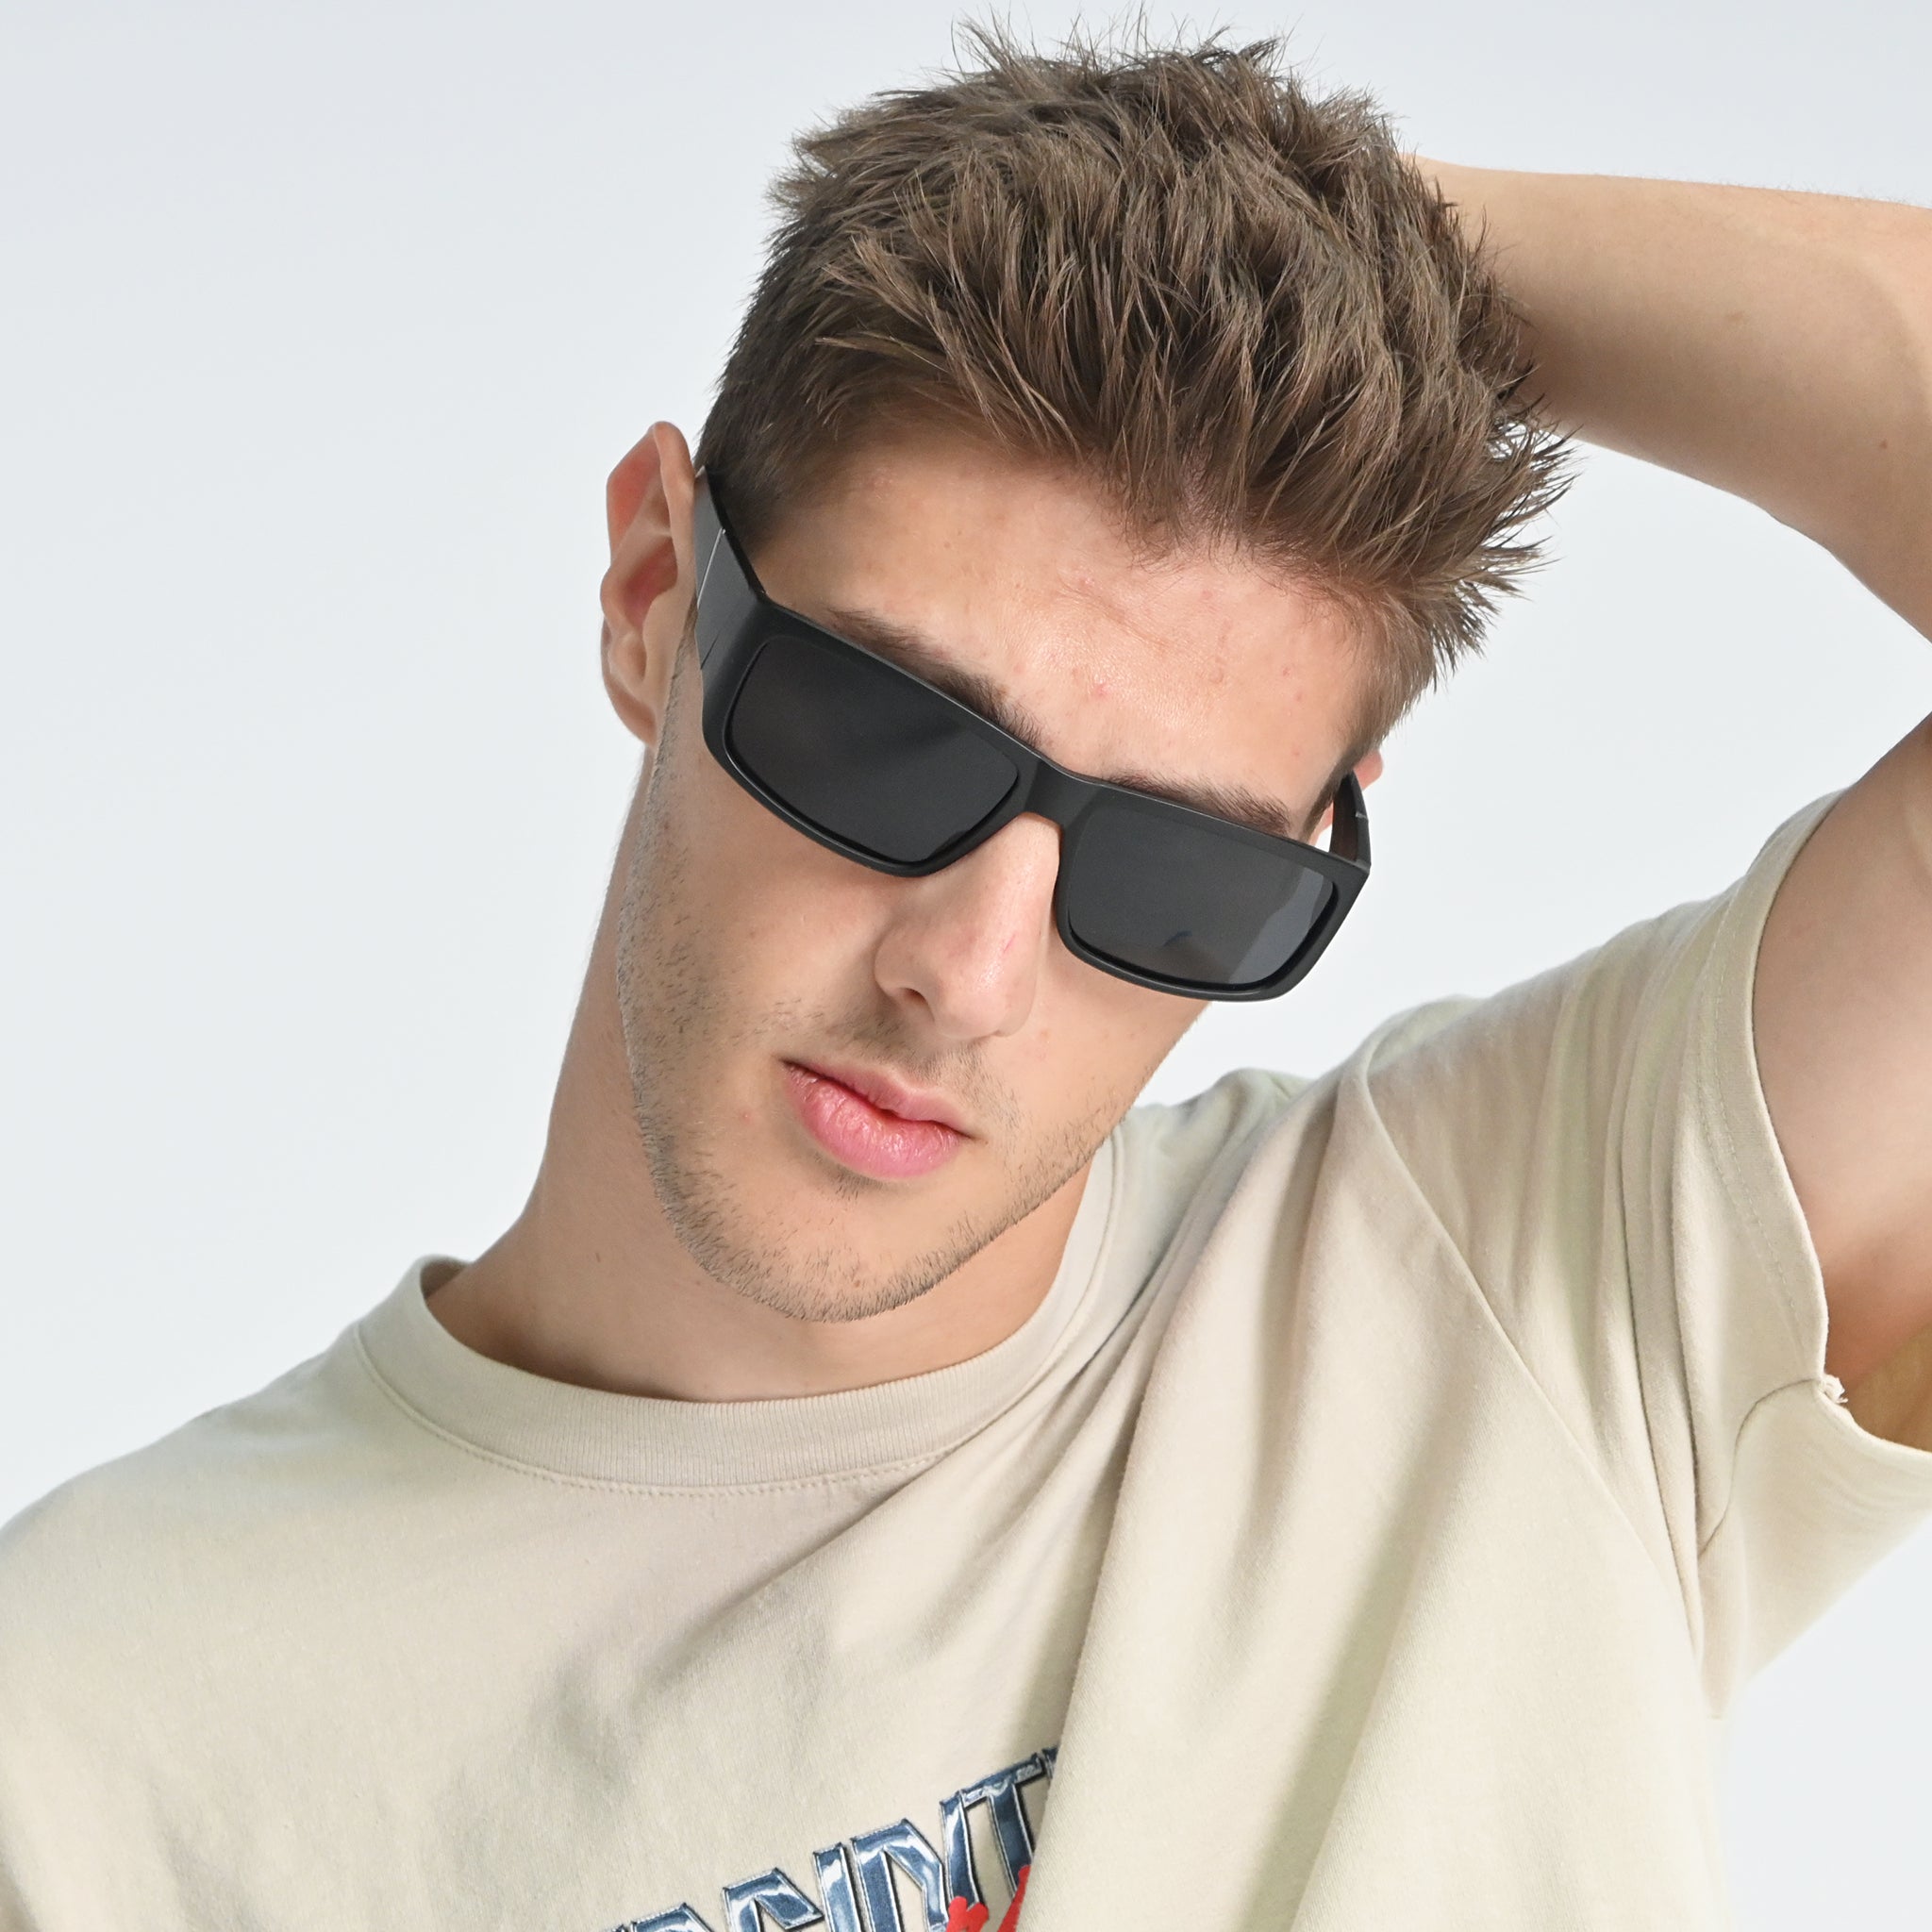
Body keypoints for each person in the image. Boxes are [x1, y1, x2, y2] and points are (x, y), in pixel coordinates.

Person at [2, 24, 1928, 1932]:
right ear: (657, 595)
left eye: (1178, 869)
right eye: (887, 739)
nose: (971, 971)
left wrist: (1298, 220)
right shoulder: (84, 1736)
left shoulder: (1525, 1275)